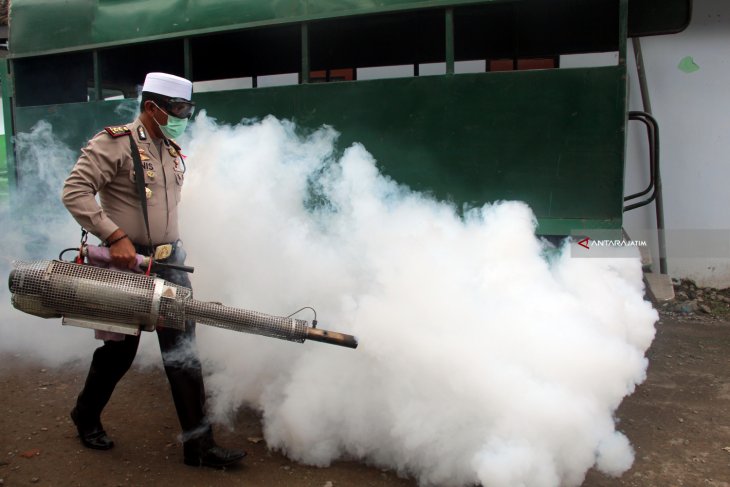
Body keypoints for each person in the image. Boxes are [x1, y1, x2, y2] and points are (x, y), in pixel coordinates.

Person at [61, 72, 245, 468]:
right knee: (119, 353)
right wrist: (114, 237)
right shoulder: (114, 143)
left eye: (187, 109)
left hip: (169, 263)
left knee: (184, 355)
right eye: (179, 109)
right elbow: (74, 191)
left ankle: (199, 446)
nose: (184, 117)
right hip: (129, 265)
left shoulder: (170, 148)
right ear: (152, 107)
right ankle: (85, 414)